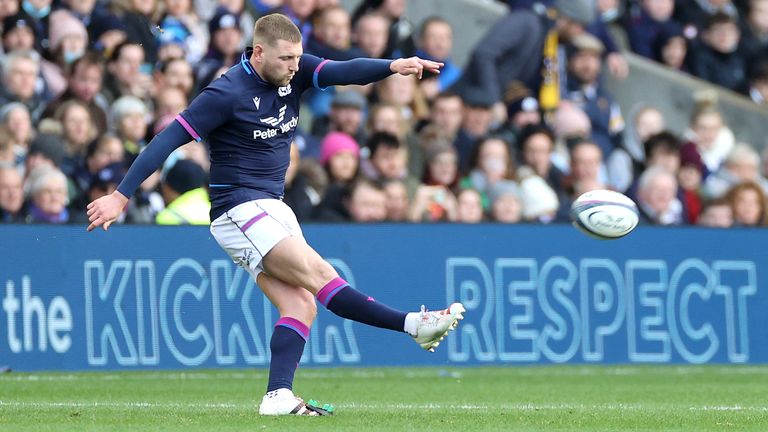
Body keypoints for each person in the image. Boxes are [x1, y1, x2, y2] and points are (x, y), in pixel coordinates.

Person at [86, 13, 465, 417]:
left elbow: (342, 71)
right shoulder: (226, 91)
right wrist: (121, 195)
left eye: (298, 58)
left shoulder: (294, 72)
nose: (295, 66)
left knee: (302, 304)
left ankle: (278, 396)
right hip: (238, 209)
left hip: (273, 207)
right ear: (259, 51)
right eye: (286, 58)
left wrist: (392, 66)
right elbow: (166, 140)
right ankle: (412, 325)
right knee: (320, 274)